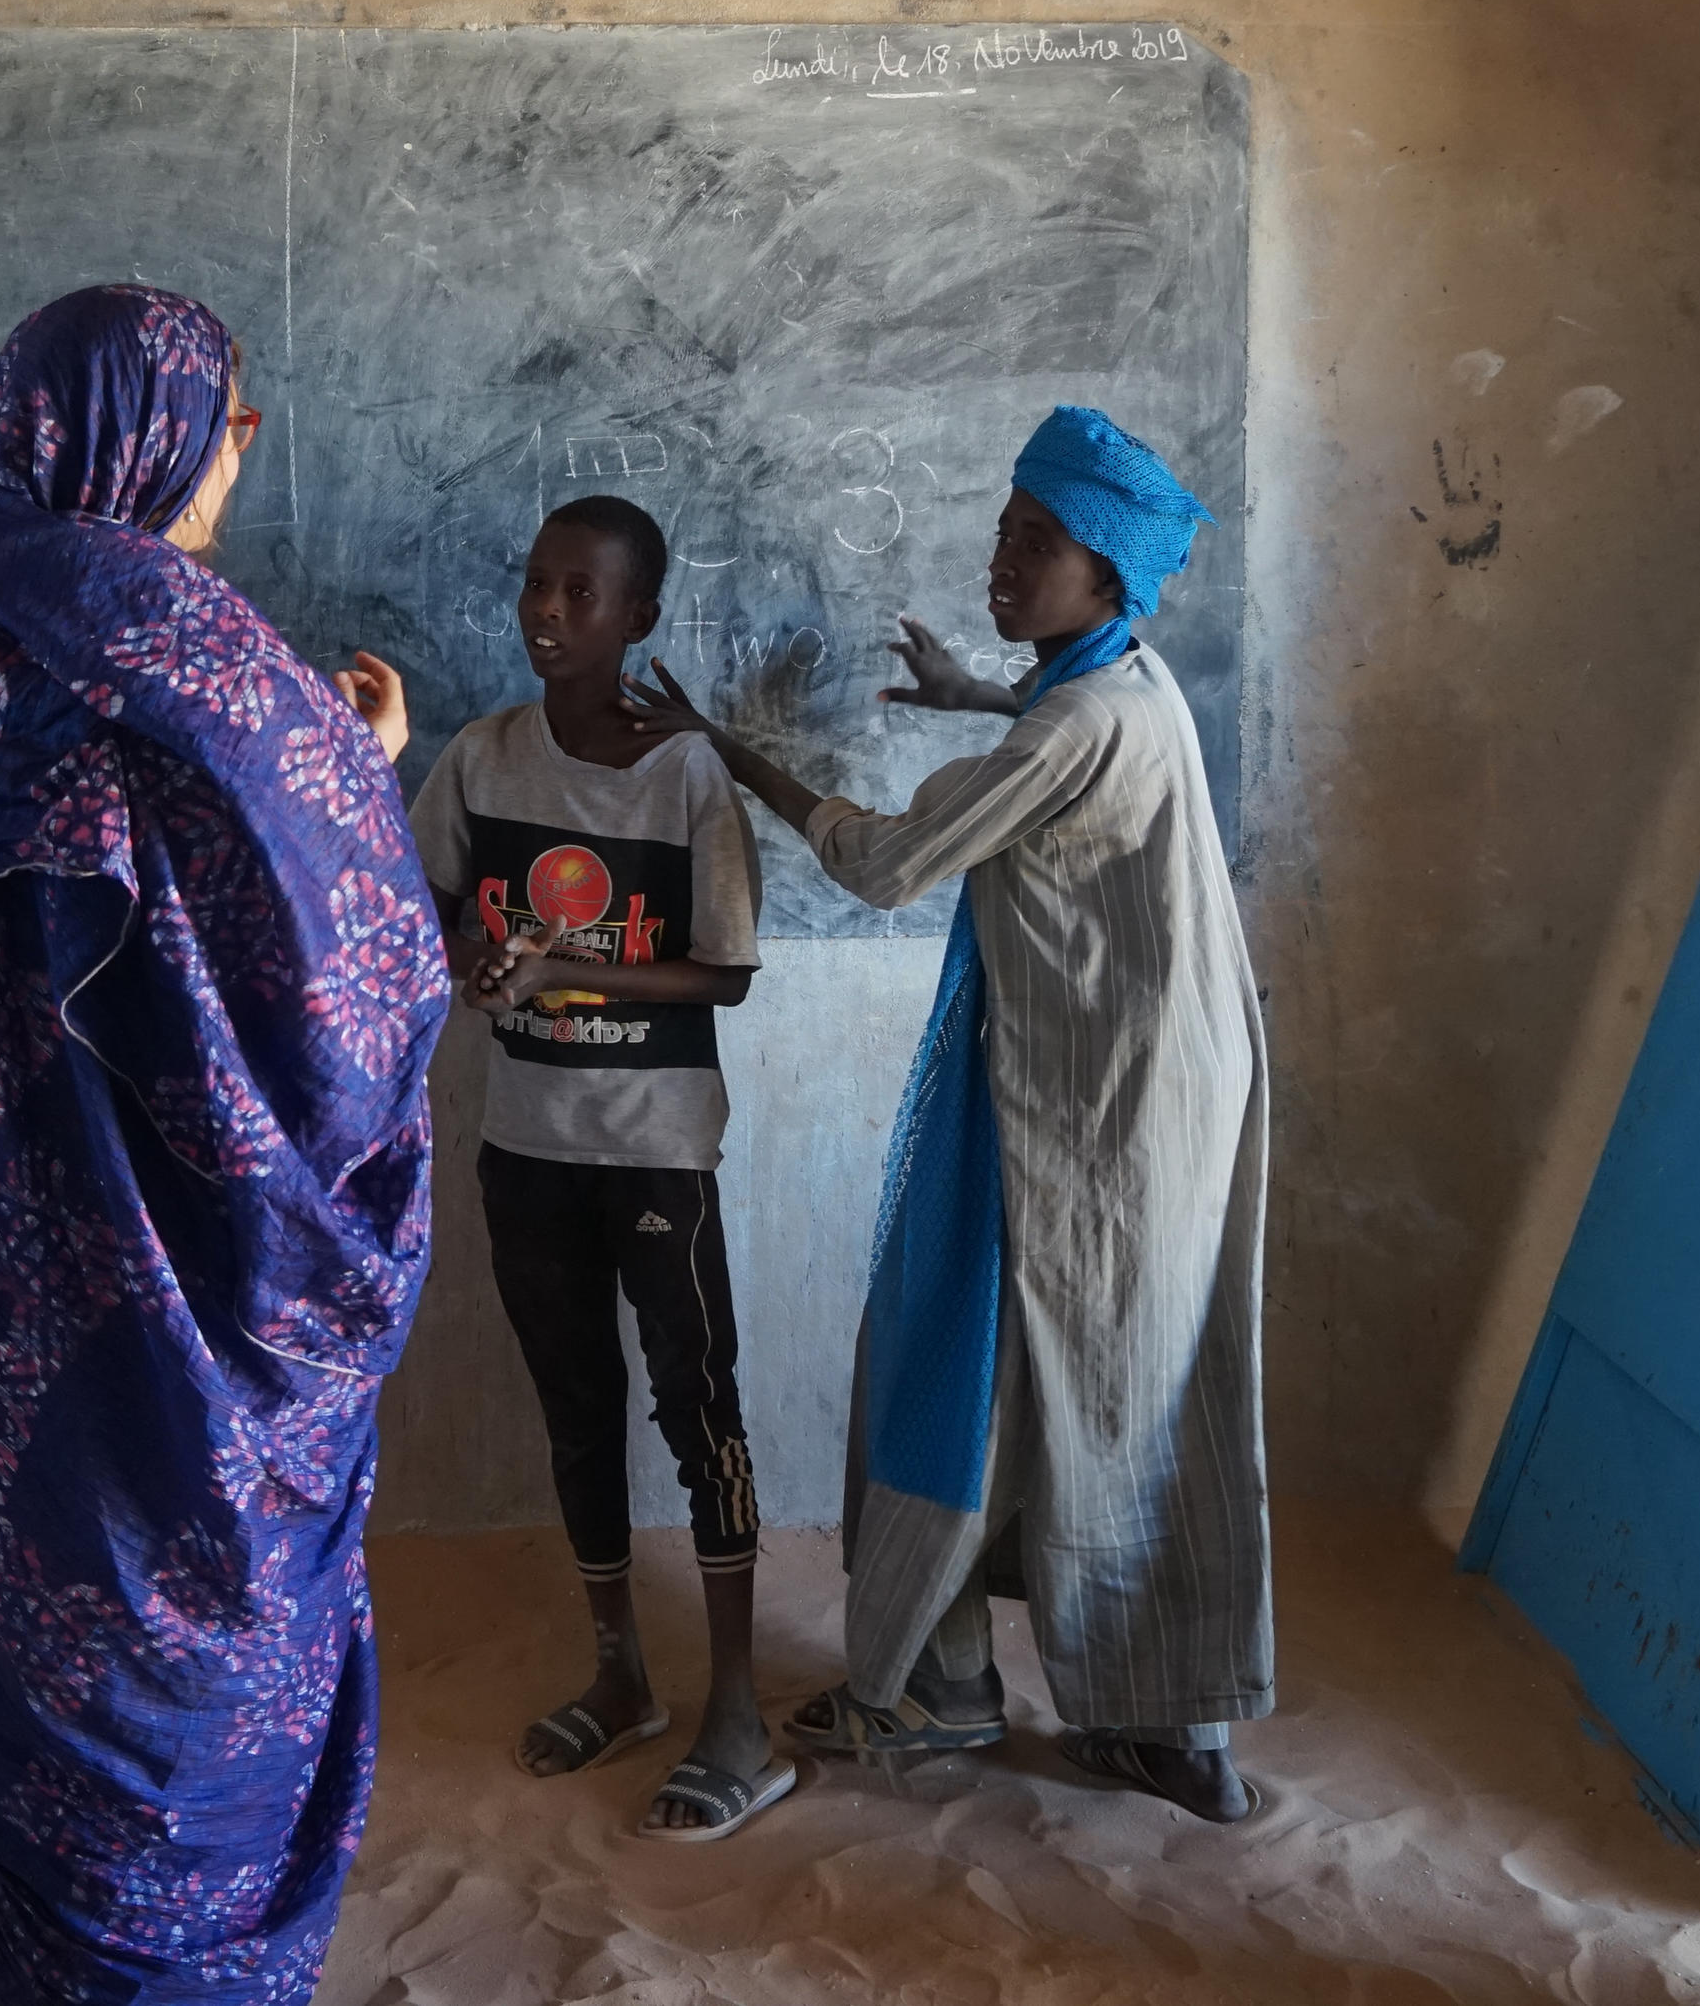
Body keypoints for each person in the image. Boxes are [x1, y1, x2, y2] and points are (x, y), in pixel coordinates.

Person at [0, 283, 447, 2004]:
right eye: (232, 425)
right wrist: (357, 769)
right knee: (186, 1650)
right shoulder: (209, 668)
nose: (236, 460)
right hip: (179, 1327)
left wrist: (319, 765)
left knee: (31, 1629)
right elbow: (352, 1024)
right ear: (169, 436)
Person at [623, 405, 1275, 1826]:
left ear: (1111, 579)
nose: (1005, 559)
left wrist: (734, 750)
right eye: (1005, 530)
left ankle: (964, 1682)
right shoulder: (1117, 688)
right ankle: (1142, 1717)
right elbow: (1056, 738)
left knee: (989, 1371)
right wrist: (985, 694)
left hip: (1093, 1118)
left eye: (1040, 545)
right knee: (1109, 1392)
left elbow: (888, 863)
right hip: (1129, 1106)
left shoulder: (1088, 718)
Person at [409, 494, 788, 1842]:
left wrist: (568, 962)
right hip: (528, 1141)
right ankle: (619, 1668)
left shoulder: (684, 773)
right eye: (536, 584)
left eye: (581, 592)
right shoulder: (482, 757)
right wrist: (463, 953)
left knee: (698, 1408)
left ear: (638, 618)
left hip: (655, 1146)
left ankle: (735, 1705)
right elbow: (424, 907)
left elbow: (728, 973)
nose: (547, 612)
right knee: (577, 1408)